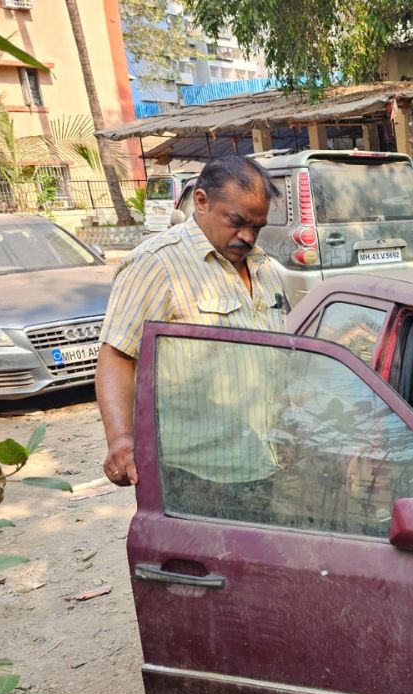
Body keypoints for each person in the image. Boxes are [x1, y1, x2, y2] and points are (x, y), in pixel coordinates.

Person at [97, 155, 289, 491]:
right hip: (195, 476)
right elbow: (117, 356)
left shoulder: (266, 268)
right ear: (201, 202)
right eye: (237, 221)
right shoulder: (156, 264)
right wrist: (121, 439)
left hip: (266, 461)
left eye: (257, 227)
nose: (247, 237)